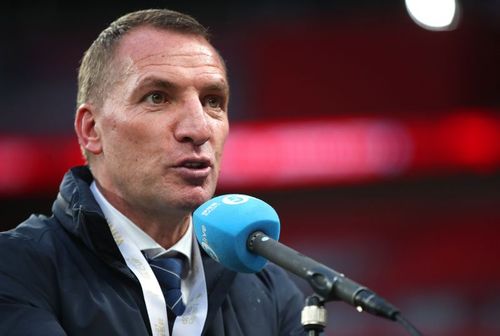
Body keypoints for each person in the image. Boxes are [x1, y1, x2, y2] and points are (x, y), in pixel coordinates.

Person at [0, 8, 305, 336]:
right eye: (158, 97)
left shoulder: (272, 291)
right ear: (92, 130)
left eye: (213, 101)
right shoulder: (14, 268)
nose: (199, 128)